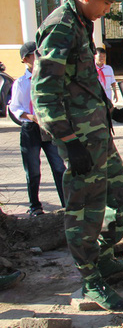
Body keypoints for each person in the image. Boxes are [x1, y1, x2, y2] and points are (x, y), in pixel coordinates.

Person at [31, 0, 123, 311]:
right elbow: (44, 94)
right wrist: (70, 142)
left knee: (121, 197)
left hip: (97, 133)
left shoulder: (81, 22)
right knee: (84, 211)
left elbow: (82, 82)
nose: (110, 7)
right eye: (107, 1)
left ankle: (103, 257)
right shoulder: (60, 29)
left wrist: (112, 112)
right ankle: (90, 279)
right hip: (78, 140)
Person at [9, 42, 66, 217]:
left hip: (48, 128)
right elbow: (15, 107)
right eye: (35, 55)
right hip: (31, 128)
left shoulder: (48, 79)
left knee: (59, 167)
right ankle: (35, 206)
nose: (39, 58)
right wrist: (29, 117)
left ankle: (67, 204)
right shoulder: (20, 83)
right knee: (33, 170)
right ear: (26, 59)